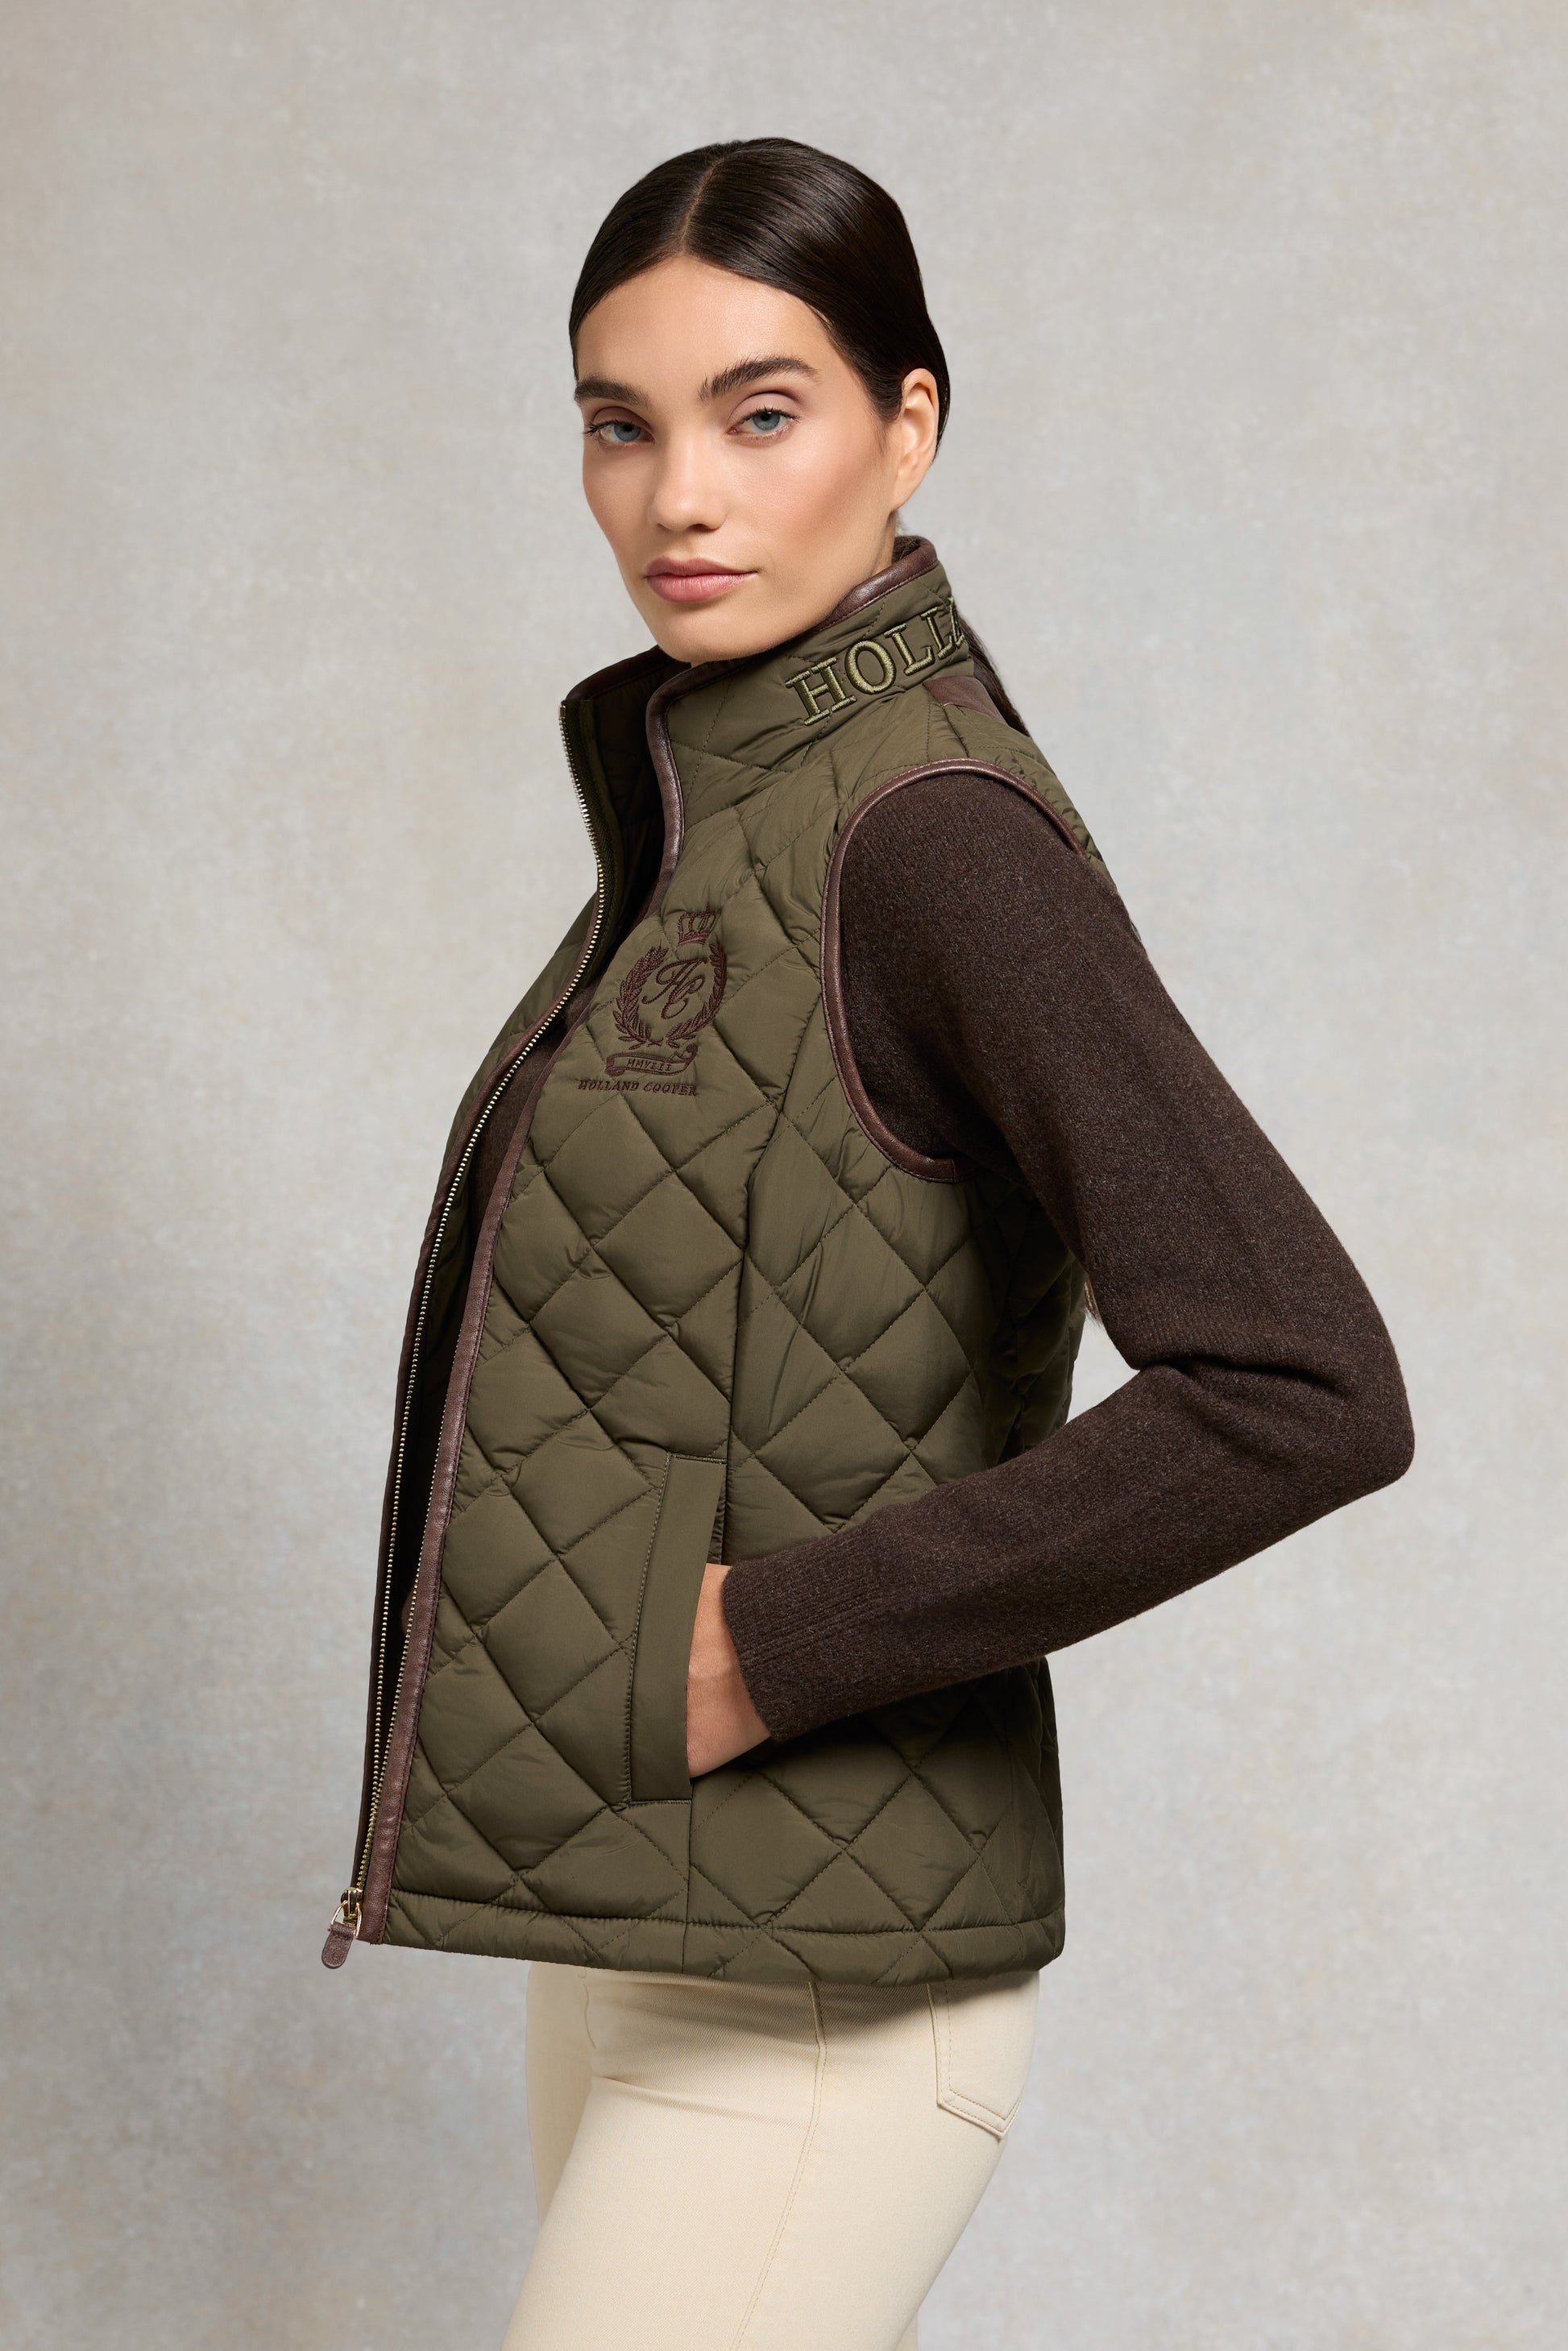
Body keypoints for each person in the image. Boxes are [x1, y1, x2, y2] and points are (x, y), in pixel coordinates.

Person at [321, 139, 1414, 2350]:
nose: (677, 497)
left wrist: (760, 1646)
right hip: (645, 1929)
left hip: (822, 1995)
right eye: (618, 425)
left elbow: (1301, 1385)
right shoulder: (719, 812)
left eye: (761, 413)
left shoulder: (927, 835)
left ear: (907, 426)